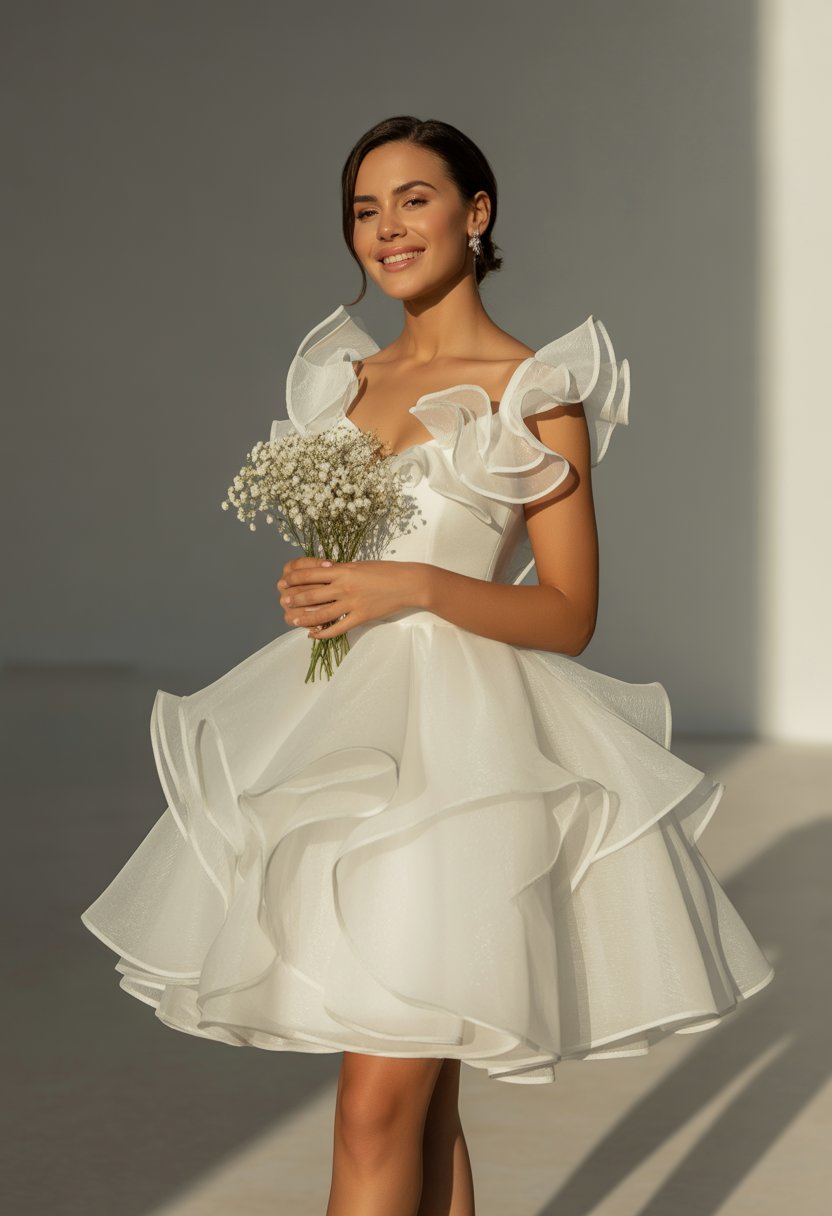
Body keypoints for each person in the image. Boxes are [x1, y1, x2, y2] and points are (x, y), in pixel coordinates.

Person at [80, 116, 775, 1216]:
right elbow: (364, 557)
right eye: (364, 208)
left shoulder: (530, 389)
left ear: (476, 213)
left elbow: (569, 612)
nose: (386, 228)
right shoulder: (341, 381)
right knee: (419, 1093)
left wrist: (406, 588)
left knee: (375, 1102)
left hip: (464, 760)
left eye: (413, 198)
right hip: (344, 745)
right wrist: (327, 589)